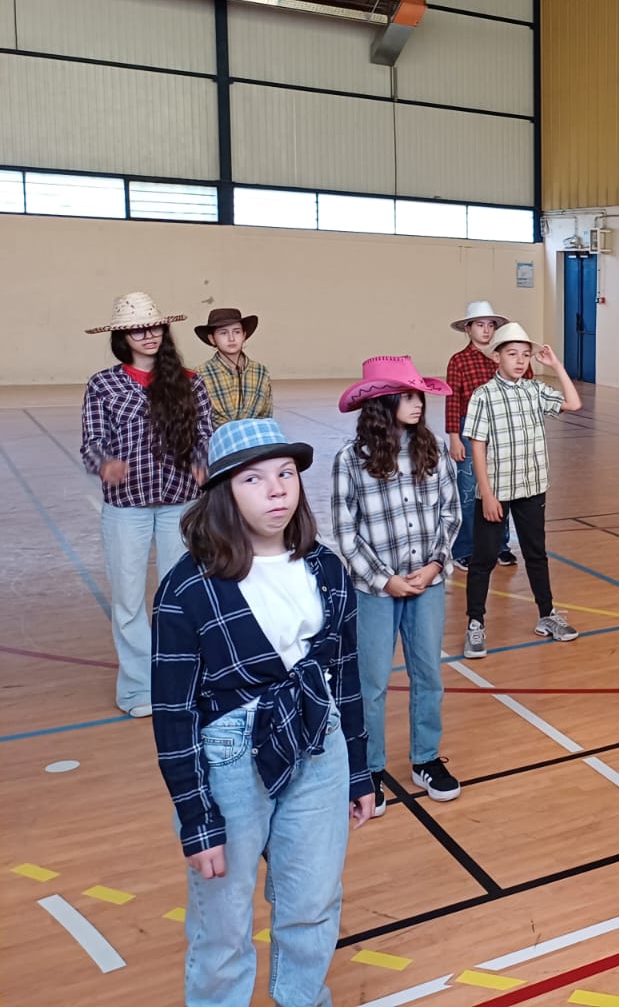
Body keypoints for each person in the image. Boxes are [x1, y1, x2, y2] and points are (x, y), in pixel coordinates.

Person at [151, 419, 375, 1006]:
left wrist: (358, 771)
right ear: (223, 492)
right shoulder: (186, 589)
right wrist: (198, 820)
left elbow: (346, 676)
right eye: (253, 479)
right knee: (223, 924)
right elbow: (174, 715)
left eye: (286, 474)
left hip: (319, 743)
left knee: (313, 901)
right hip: (230, 762)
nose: (277, 490)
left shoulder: (327, 569)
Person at [332, 356, 464, 816]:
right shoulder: (351, 460)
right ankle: (368, 768)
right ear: (381, 403)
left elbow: (451, 513)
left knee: (428, 673)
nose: (417, 403)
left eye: (418, 395)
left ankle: (425, 757)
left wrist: (434, 565)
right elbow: (345, 532)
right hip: (375, 590)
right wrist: (384, 579)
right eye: (406, 396)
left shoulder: (435, 451)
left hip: (428, 583)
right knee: (371, 681)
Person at [81, 291, 213, 718]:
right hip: (126, 509)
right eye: (138, 330)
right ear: (123, 337)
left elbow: (205, 435)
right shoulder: (103, 385)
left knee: (180, 597)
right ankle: (138, 689)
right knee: (128, 600)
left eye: (154, 326)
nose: (149, 335)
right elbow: (92, 442)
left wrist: (202, 463)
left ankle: (181, 683)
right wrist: (105, 464)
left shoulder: (189, 381)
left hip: (180, 504)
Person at [462, 323, 584, 656]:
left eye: (526, 355)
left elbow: (573, 403)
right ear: (497, 357)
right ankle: (475, 623)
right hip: (497, 491)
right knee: (483, 559)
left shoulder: (534, 390)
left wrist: (556, 366)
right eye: (512, 354)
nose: (520, 360)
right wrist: (487, 494)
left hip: (532, 487)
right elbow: (477, 447)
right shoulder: (484, 395)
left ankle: (547, 615)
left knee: (536, 554)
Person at [445, 301, 516, 571]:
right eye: (480, 325)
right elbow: (453, 400)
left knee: (502, 489)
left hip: (501, 430)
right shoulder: (459, 361)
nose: (486, 330)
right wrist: (454, 437)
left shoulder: (501, 356)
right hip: (470, 430)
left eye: (490, 325)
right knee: (468, 491)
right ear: (468, 329)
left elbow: (524, 379)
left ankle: (500, 545)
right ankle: (465, 548)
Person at [194, 307, 273, 425]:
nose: (231, 338)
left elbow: (266, 416)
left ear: (244, 335)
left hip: (254, 433)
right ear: (212, 339)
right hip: (219, 435)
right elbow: (198, 420)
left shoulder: (260, 372)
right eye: (223, 333)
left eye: (237, 332)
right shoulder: (200, 374)